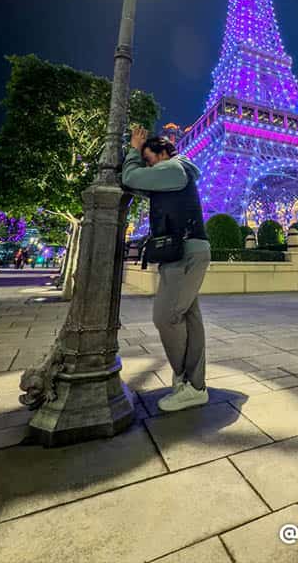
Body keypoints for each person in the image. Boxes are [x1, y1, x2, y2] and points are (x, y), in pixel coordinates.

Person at [122, 128, 212, 413]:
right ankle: (194, 385)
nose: (149, 166)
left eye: (150, 160)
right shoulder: (174, 173)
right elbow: (137, 185)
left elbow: (130, 178)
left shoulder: (173, 169)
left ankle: (187, 381)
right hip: (186, 251)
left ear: (163, 153)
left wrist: (133, 150)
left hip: (185, 252)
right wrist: (139, 160)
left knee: (166, 316)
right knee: (189, 318)